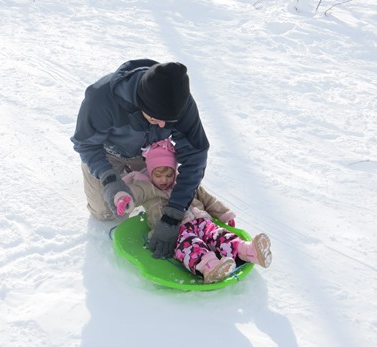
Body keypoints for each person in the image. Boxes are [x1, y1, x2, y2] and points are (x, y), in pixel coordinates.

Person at [71, 59, 209, 259]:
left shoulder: (181, 102)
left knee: (165, 192)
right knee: (105, 212)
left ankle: (190, 192)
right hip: (105, 152)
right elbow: (86, 144)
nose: (163, 125)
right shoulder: (101, 98)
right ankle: (108, 175)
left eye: (168, 121)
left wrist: (174, 214)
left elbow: (195, 153)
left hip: (150, 153)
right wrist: (109, 179)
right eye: (155, 118)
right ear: (140, 102)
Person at [114, 139, 272, 284]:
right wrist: (124, 199)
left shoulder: (184, 183)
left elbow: (207, 199)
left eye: (169, 175)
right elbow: (134, 194)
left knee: (217, 234)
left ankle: (247, 251)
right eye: (158, 175)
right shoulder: (146, 187)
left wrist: (223, 213)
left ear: (175, 172)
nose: (164, 180)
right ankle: (209, 268)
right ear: (150, 172)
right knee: (190, 245)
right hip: (172, 231)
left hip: (200, 220)